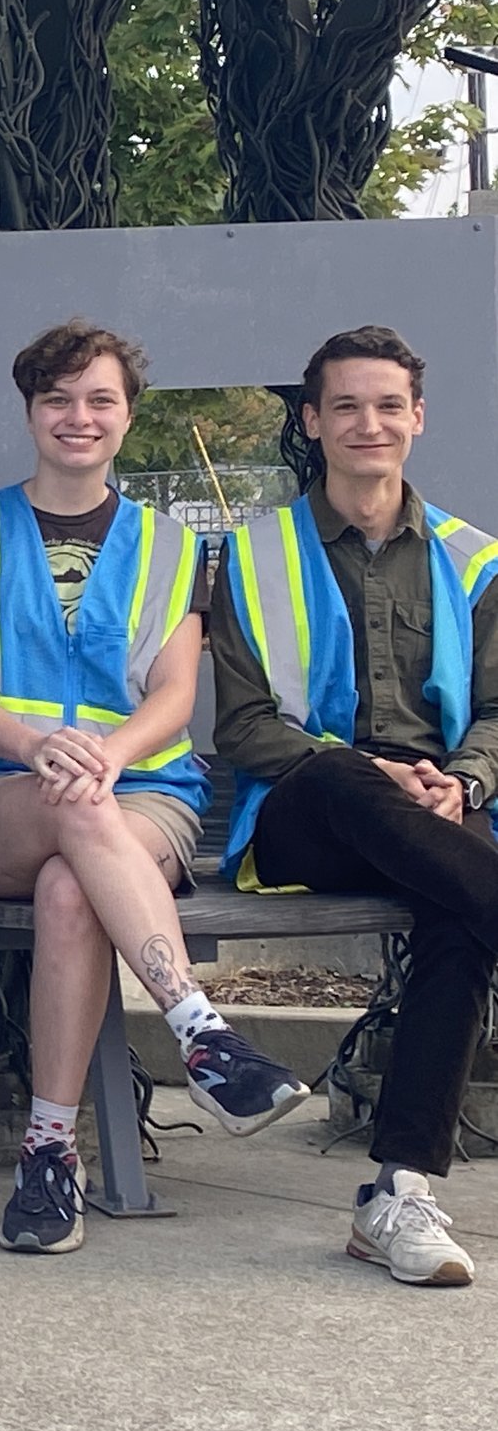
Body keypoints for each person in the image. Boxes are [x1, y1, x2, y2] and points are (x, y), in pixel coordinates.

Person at [0, 322, 307, 1259]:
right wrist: (40, 745)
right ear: (28, 413)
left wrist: (105, 752)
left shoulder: (174, 545)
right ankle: (202, 1030)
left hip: (142, 792)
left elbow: (177, 699)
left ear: (129, 415)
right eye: (57, 398)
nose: (78, 416)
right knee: (68, 813)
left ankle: (49, 1157)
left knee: (71, 886)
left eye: (99, 398)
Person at [213, 326, 498, 1288]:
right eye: (345, 405)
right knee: (342, 776)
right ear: (311, 421)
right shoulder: (249, 558)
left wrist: (464, 780)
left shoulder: (475, 558)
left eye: (387, 405)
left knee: (462, 911)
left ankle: (398, 1190)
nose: (367, 423)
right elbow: (244, 725)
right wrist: (376, 774)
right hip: (308, 811)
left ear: (417, 417)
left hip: (444, 818)